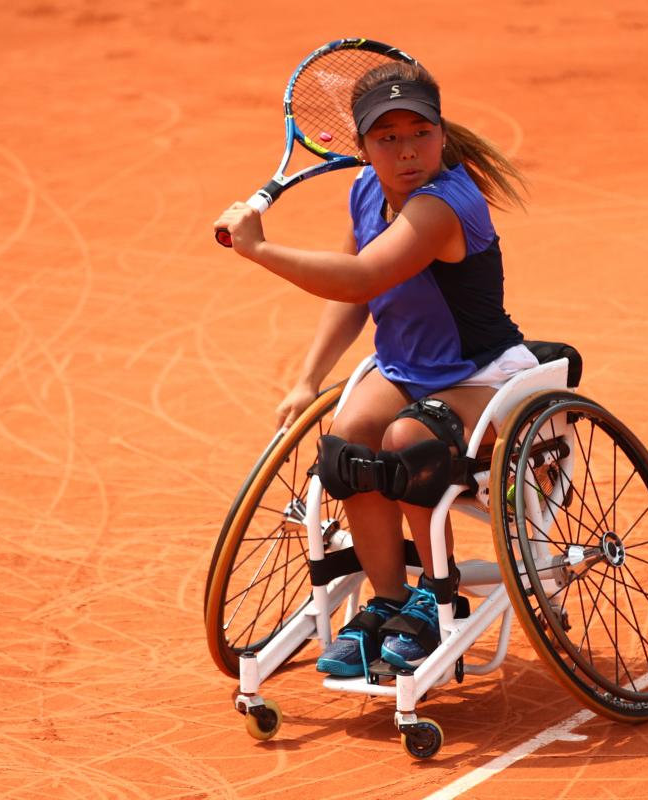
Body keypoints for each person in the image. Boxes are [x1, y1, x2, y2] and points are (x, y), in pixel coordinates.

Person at [213, 61, 537, 678]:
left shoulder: (443, 205)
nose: (407, 150)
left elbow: (365, 275)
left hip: (481, 374)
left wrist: (257, 249)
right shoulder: (365, 191)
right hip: (406, 369)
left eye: (420, 132)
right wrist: (309, 377)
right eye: (387, 138)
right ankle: (392, 598)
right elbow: (354, 297)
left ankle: (440, 601)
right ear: (362, 147)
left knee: (407, 440)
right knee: (345, 444)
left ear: (443, 133)